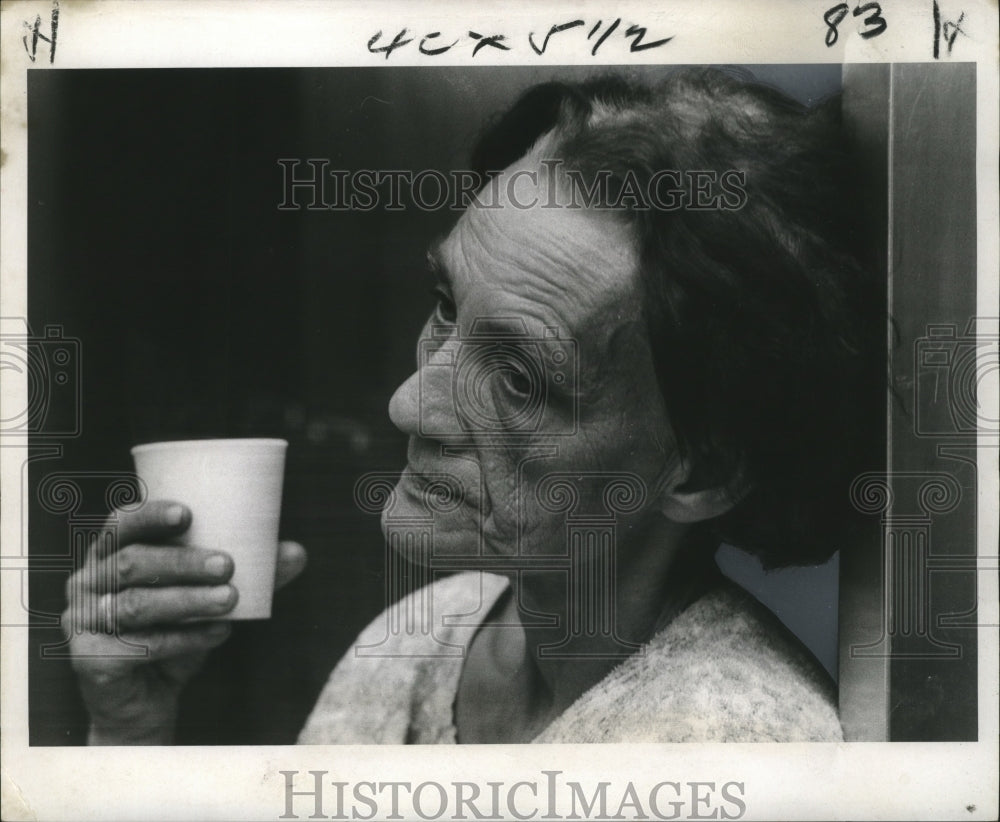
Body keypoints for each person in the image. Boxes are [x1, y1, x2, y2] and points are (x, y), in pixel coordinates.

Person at [64, 68, 884, 744]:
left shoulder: (736, 748)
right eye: (447, 306)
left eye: (521, 379)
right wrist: (131, 730)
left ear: (702, 467)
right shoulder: (430, 632)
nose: (407, 404)